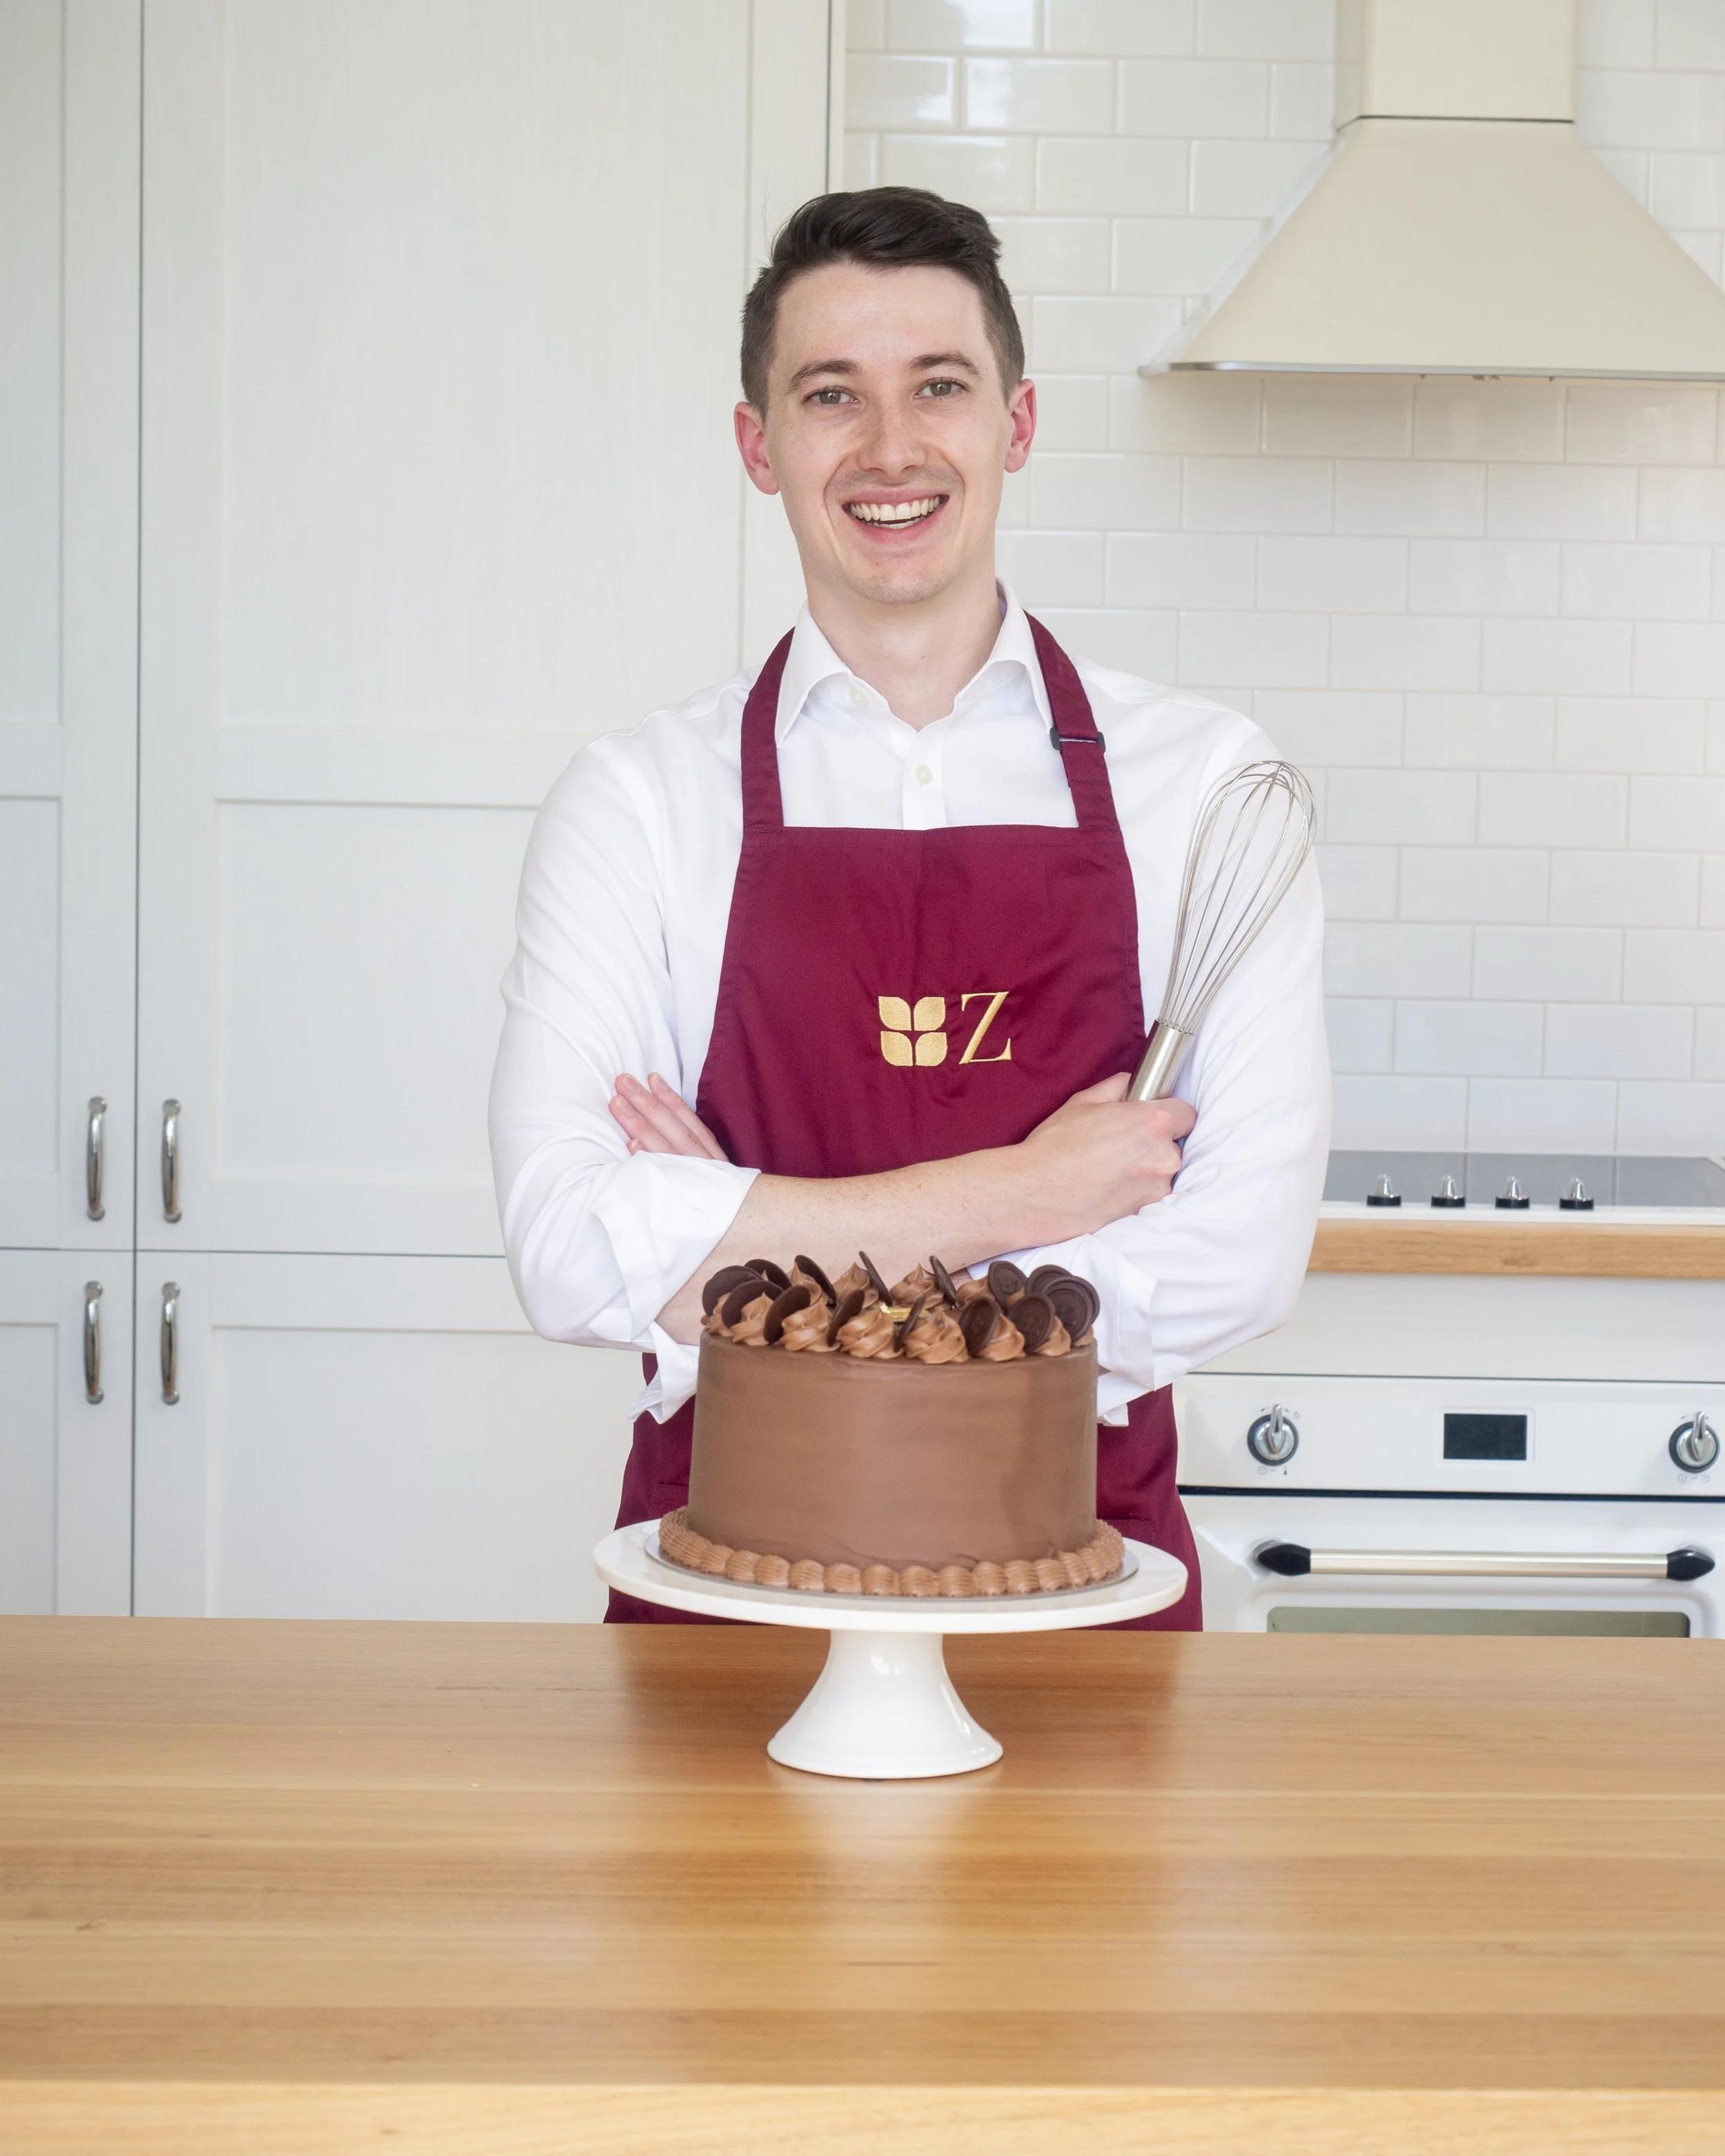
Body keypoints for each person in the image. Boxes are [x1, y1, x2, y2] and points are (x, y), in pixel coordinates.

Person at [489, 187, 1330, 1628]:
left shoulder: (1202, 785)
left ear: (1014, 421)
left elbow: (1237, 1253)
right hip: (723, 1596)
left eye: (936, 386)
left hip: (1086, 1590)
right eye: (831, 395)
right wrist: (1029, 1190)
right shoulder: (636, 799)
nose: (890, 448)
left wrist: (736, 1252)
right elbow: (569, 1246)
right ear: (758, 444)